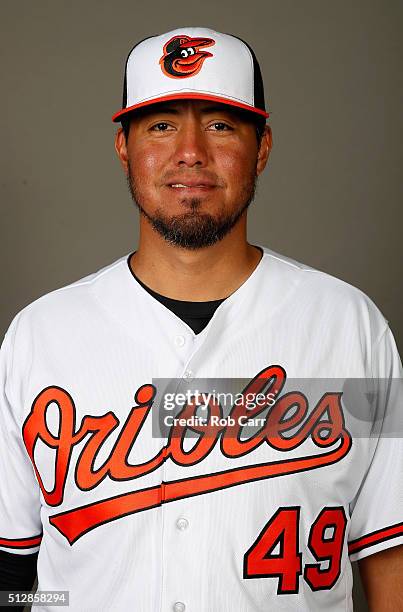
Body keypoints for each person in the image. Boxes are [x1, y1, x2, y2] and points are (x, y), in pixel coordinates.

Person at [0, 27, 402, 612]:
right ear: (123, 147)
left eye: (220, 124)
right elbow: (13, 567)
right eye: (161, 125)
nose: (191, 151)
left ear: (262, 147)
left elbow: (387, 551)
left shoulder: (350, 327)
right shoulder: (40, 335)